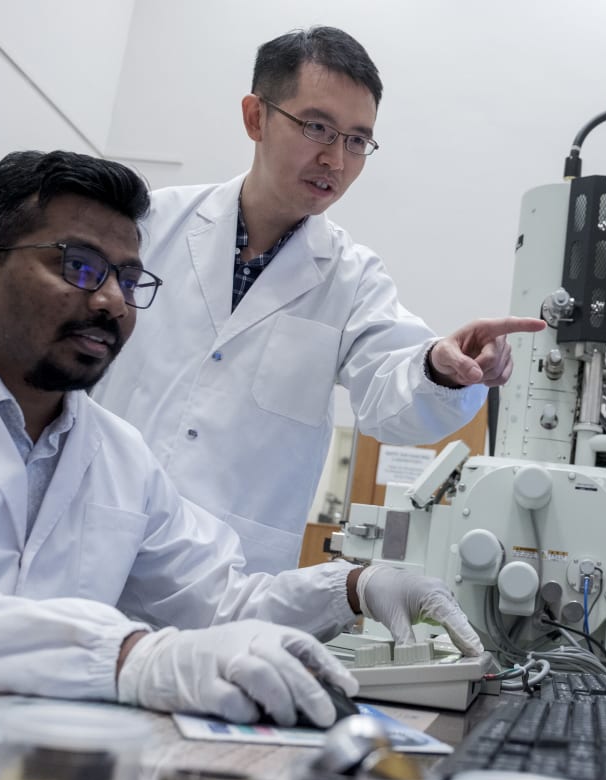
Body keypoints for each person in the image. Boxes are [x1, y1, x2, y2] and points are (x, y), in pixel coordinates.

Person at [0, 150, 483, 729]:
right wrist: (129, 657)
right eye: (80, 267)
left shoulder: (116, 456)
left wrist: (355, 586)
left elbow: (221, 602)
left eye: (129, 280)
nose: (111, 300)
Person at [92, 26, 545, 573]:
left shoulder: (352, 280)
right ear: (256, 117)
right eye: (317, 127)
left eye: (358, 140)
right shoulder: (150, 226)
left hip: (229, 569)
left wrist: (441, 369)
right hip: (97, 530)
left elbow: (390, 396)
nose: (336, 158)